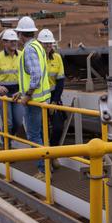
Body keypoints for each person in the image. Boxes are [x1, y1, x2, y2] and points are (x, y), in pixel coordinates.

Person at [13, 17, 50, 178]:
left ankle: (43, 170)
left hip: (35, 101)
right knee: (42, 134)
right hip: (42, 99)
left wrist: (27, 95)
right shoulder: (38, 46)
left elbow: (36, 75)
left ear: (21, 34)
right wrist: (21, 92)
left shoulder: (29, 49)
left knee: (34, 135)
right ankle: (50, 161)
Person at [0, 29, 24, 139]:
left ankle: (9, 139)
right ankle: (6, 145)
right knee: (8, 123)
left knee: (18, 122)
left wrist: (22, 89)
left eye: (15, 41)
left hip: (18, 94)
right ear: (4, 43)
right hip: (3, 95)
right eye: (10, 41)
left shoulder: (22, 56)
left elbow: (27, 75)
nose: (14, 43)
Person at [38, 28, 67, 167]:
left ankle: (53, 155)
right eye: (45, 44)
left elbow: (60, 81)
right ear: (40, 44)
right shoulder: (35, 59)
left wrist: (55, 101)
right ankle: (45, 158)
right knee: (42, 130)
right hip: (39, 100)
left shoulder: (57, 58)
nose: (48, 46)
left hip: (53, 99)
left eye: (50, 44)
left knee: (58, 127)